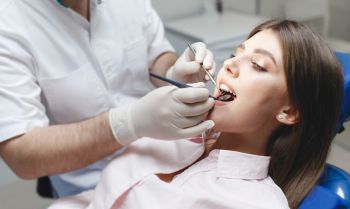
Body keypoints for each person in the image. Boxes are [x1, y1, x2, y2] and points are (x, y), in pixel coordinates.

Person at [34, 19, 344, 209]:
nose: (232, 65)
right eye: (237, 54)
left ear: (288, 112)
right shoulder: (166, 137)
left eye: (259, 66)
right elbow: (102, 201)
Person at [0, 0, 216, 197]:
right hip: (91, 186)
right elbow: (21, 153)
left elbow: (155, 53)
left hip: (162, 158)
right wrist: (127, 124)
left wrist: (172, 72)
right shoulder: (9, 22)